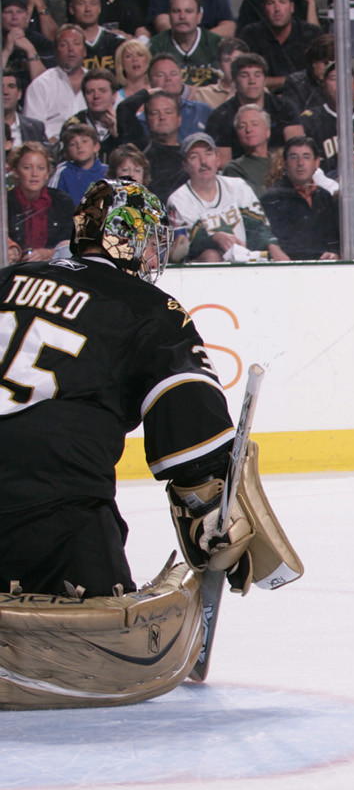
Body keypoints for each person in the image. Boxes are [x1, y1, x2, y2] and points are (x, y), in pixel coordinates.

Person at [0, 177, 236, 598]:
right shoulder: (148, 307)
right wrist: (214, 514)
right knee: (97, 639)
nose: (151, 253)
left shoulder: (8, 278)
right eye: (149, 240)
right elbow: (194, 439)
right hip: (54, 502)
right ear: (125, 237)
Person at [167, 132, 277, 261]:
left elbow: (258, 226)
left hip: (245, 258)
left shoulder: (238, 186)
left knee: (274, 252)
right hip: (199, 268)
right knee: (211, 256)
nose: (203, 161)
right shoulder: (179, 200)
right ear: (185, 165)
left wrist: (273, 247)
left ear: (218, 159)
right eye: (194, 156)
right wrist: (214, 238)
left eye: (208, 154)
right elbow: (187, 244)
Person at [204, 52, 304, 160]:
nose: (252, 81)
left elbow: (297, 150)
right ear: (235, 81)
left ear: (265, 80)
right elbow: (223, 164)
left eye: (257, 75)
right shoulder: (220, 116)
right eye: (244, 75)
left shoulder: (284, 107)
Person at [260, 135, 340, 260]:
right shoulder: (271, 198)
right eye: (294, 157)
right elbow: (285, 245)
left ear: (316, 162)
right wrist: (318, 256)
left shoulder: (325, 196)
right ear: (285, 163)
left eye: (306, 157)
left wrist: (335, 253)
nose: (300, 163)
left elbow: (334, 238)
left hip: (327, 267)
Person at [238, 0, 323, 92]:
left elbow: (320, 76)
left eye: (282, 2)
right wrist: (295, 80)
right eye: (271, 3)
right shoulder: (250, 33)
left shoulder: (312, 33)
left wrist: (271, 81)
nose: (277, 9)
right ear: (263, 8)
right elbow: (247, 79)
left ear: (292, 7)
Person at [7, 141, 73, 260]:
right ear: (16, 172)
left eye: (41, 168)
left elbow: (71, 241)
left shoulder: (62, 201)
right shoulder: (5, 203)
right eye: (27, 168)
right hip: (15, 265)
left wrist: (48, 253)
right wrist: (14, 251)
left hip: (54, 264)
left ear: (47, 173)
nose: (35, 174)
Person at [147, 0, 224, 88]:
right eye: (176, 11)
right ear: (169, 16)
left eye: (188, 11)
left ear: (199, 16)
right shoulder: (155, 46)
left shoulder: (217, 44)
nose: (182, 16)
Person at [23, 23, 86, 141]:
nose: (71, 49)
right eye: (64, 45)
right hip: (52, 152)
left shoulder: (97, 83)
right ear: (56, 52)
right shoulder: (41, 85)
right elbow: (32, 131)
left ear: (85, 51)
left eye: (76, 44)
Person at [68, 0, 122, 73]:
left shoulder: (116, 42)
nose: (88, 9)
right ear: (71, 9)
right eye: (81, 4)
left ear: (99, 8)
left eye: (93, 3)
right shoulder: (66, 47)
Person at [220, 104, 272, 196]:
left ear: (267, 132)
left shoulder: (282, 162)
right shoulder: (234, 168)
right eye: (242, 126)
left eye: (254, 124)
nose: (248, 129)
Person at [49, 122, 108, 201]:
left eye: (84, 141)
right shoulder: (62, 172)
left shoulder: (108, 171)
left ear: (96, 147)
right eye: (73, 144)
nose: (79, 146)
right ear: (66, 152)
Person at [2, 71, 45, 143]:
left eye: (11, 86)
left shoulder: (36, 128)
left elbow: (46, 153)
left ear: (19, 94)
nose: (5, 92)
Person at [113, 38, 150, 102]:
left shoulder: (158, 93)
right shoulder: (115, 99)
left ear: (147, 61)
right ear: (121, 64)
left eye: (140, 55)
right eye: (128, 56)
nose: (135, 59)